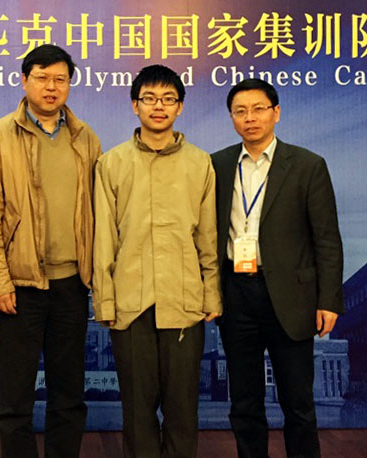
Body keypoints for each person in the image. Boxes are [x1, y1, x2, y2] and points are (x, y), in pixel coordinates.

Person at [0, 44, 101, 458]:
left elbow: (99, 213)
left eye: (60, 79)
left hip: (72, 285)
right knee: (15, 399)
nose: (51, 87)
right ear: (24, 80)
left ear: (69, 85)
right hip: (19, 287)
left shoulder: (85, 138)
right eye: (42, 77)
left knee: (69, 395)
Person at [211, 78, 344, 458]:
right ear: (232, 118)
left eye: (258, 109)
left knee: (297, 403)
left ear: (276, 113)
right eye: (240, 111)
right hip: (236, 293)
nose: (250, 118)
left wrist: (328, 300)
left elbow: (327, 239)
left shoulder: (307, 165)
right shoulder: (217, 165)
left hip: (290, 296)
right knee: (244, 401)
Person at [92, 64, 221, 458]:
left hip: (184, 302)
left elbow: (208, 237)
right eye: (149, 98)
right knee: (137, 409)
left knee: (182, 409)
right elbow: (104, 239)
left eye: (168, 99)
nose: (158, 106)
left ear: (180, 106)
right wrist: (105, 301)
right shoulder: (112, 163)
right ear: (135, 105)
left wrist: (211, 295)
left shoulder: (199, 163)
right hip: (131, 303)